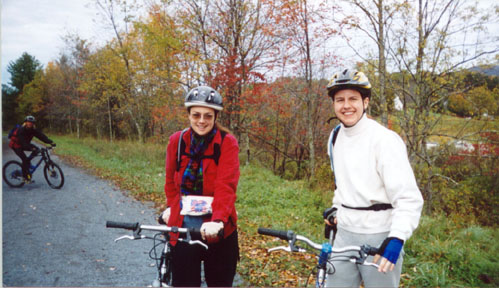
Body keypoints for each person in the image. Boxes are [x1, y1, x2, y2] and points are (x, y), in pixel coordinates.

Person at [323, 69, 424, 287]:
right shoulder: (335, 137)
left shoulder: (384, 140)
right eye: (340, 100)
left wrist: (397, 237)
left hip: (380, 236)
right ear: (333, 104)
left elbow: (408, 198)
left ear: (365, 102)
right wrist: (336, 208)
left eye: (353, 99)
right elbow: (342, 183)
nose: (346, 105)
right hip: (344, 235)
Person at [160, 86, 240, 287]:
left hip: (217, 227)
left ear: (215, 117)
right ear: (188, 115)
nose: (201, 120)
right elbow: (170, 182)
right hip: (184, 225)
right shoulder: (177, 142)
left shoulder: (226, 143)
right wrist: (171, 207)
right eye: (196, 115)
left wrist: (219, 220)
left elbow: (226, 186)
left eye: (208, 115)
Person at [8, 115, 55, 183]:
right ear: (25, 122)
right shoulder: (21, 130)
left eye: (31, 122)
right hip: (16, 145)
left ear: (33, 123)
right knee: (24, 159)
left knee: (36, 150)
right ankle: (25, 177)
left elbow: (41, 136)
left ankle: (28, 164)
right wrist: (30, 147)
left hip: (24, 144)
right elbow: (22, 141)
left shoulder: (33, 130)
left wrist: (50, 142)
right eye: (28, 122)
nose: (30, 123)